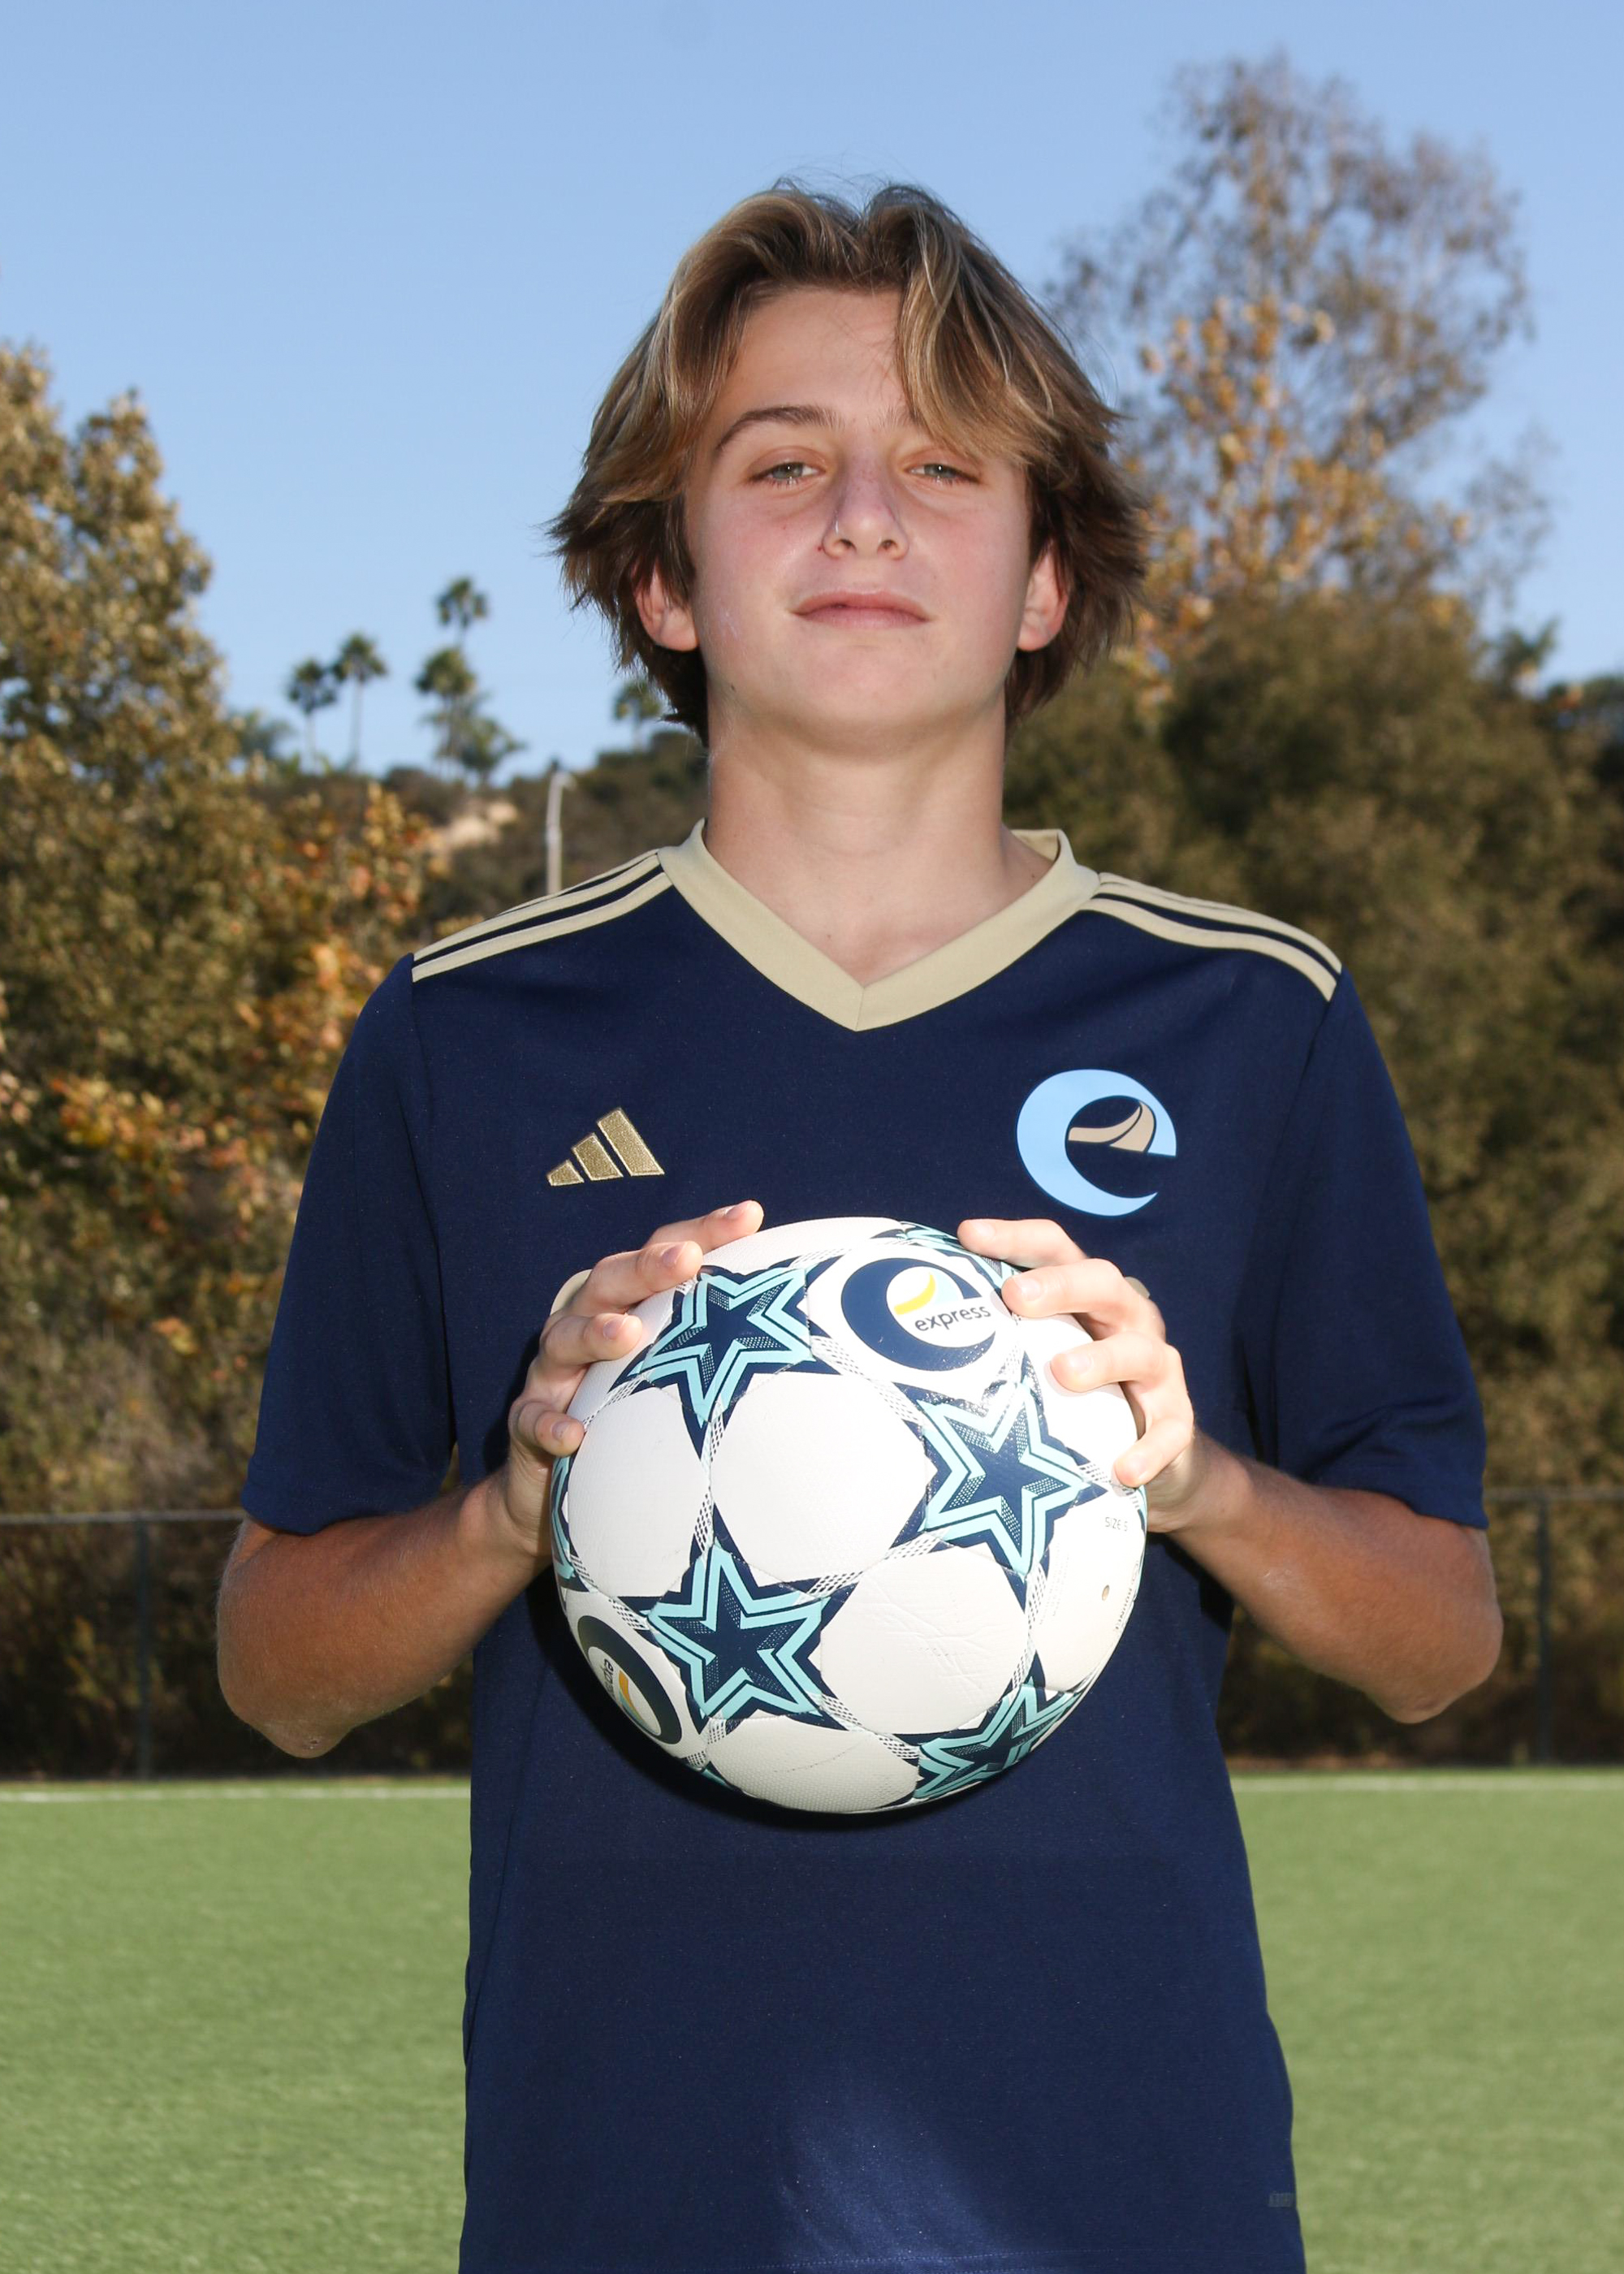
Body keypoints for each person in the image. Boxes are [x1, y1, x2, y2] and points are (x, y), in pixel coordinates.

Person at [218, 181, 1502, 2274]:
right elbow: (277, 1669)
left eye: (946, 466)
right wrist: (512, 1514)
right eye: (783, 464)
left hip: (1132, 2198)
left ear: (1044, 575)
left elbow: (1443, 1642)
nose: (867, 519)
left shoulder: (1253, 1018)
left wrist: (1199, 1479)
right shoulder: (467, 1035)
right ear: (662, 574)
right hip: (624, 2204)